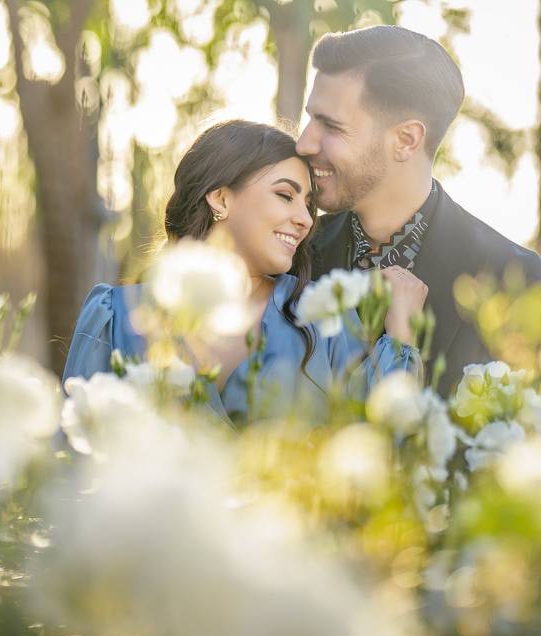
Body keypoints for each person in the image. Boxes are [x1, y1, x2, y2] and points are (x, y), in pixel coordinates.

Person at [62, 120, 427, 425]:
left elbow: (373, 445)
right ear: (220, 198)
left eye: (309, 205)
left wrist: (402, 334)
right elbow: (75, 463)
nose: (304, 219)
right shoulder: (114, 316)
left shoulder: (321, 318)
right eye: (286, 195)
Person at [297, 25, 541, 397]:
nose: (303, 143)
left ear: (406, 139)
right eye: (310, 118)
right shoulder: (295, 254)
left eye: (330, 125)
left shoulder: (522, 283)